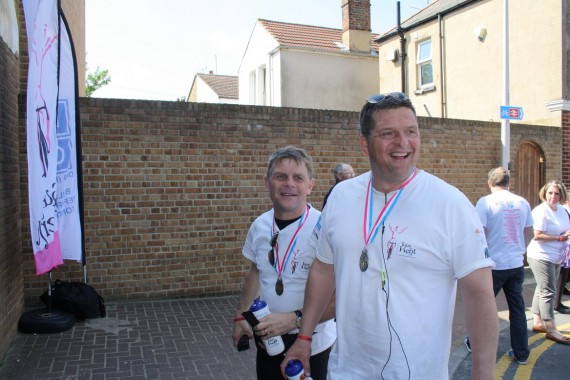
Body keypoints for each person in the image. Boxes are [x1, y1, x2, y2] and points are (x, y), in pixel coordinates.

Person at [280, 92, 498, 379]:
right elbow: (323, 270)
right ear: (364, 142)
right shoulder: (341, 197)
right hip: (346, 371)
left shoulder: (451, 204)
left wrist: (483, 375)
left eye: (411, 132)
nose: (403, 143)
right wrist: (304, 337)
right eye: (388, 133)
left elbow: (480, 296)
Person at [231, 146, 336, 379]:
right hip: (268, 344)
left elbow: (342, 295)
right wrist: (240, 315)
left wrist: (294, 319)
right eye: (280, 176)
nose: (289, 184)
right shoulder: (259, 225)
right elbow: (255, 273)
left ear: (310, 185)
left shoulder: (326, 228)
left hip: (314, 346)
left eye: (298, 178)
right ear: (267, 183)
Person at [468, 167, 534, 364]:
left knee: (484, 307)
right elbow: (529, 231)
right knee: (518, 309)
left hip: (493, 265)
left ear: (490, 183)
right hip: (515, 264)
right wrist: (520, 250)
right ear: (508, 182)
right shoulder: (523, 202)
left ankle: (474, 343)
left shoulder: (486, 202)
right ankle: (521, 353)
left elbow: (478, 232)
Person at [527, 181, 570, 344]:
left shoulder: (562, 211)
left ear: (562, 195)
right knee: (548, 291)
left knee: (542, 288)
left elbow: (565, 228)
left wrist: (565, 233)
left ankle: (538, 322)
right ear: (544, 193)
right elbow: (537, 235)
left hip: (556, 255)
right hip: (540, 255)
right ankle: (551, 328)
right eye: (550, 193)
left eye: (556, 193)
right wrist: (559, 237)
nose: (553, 196)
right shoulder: (541, 211)